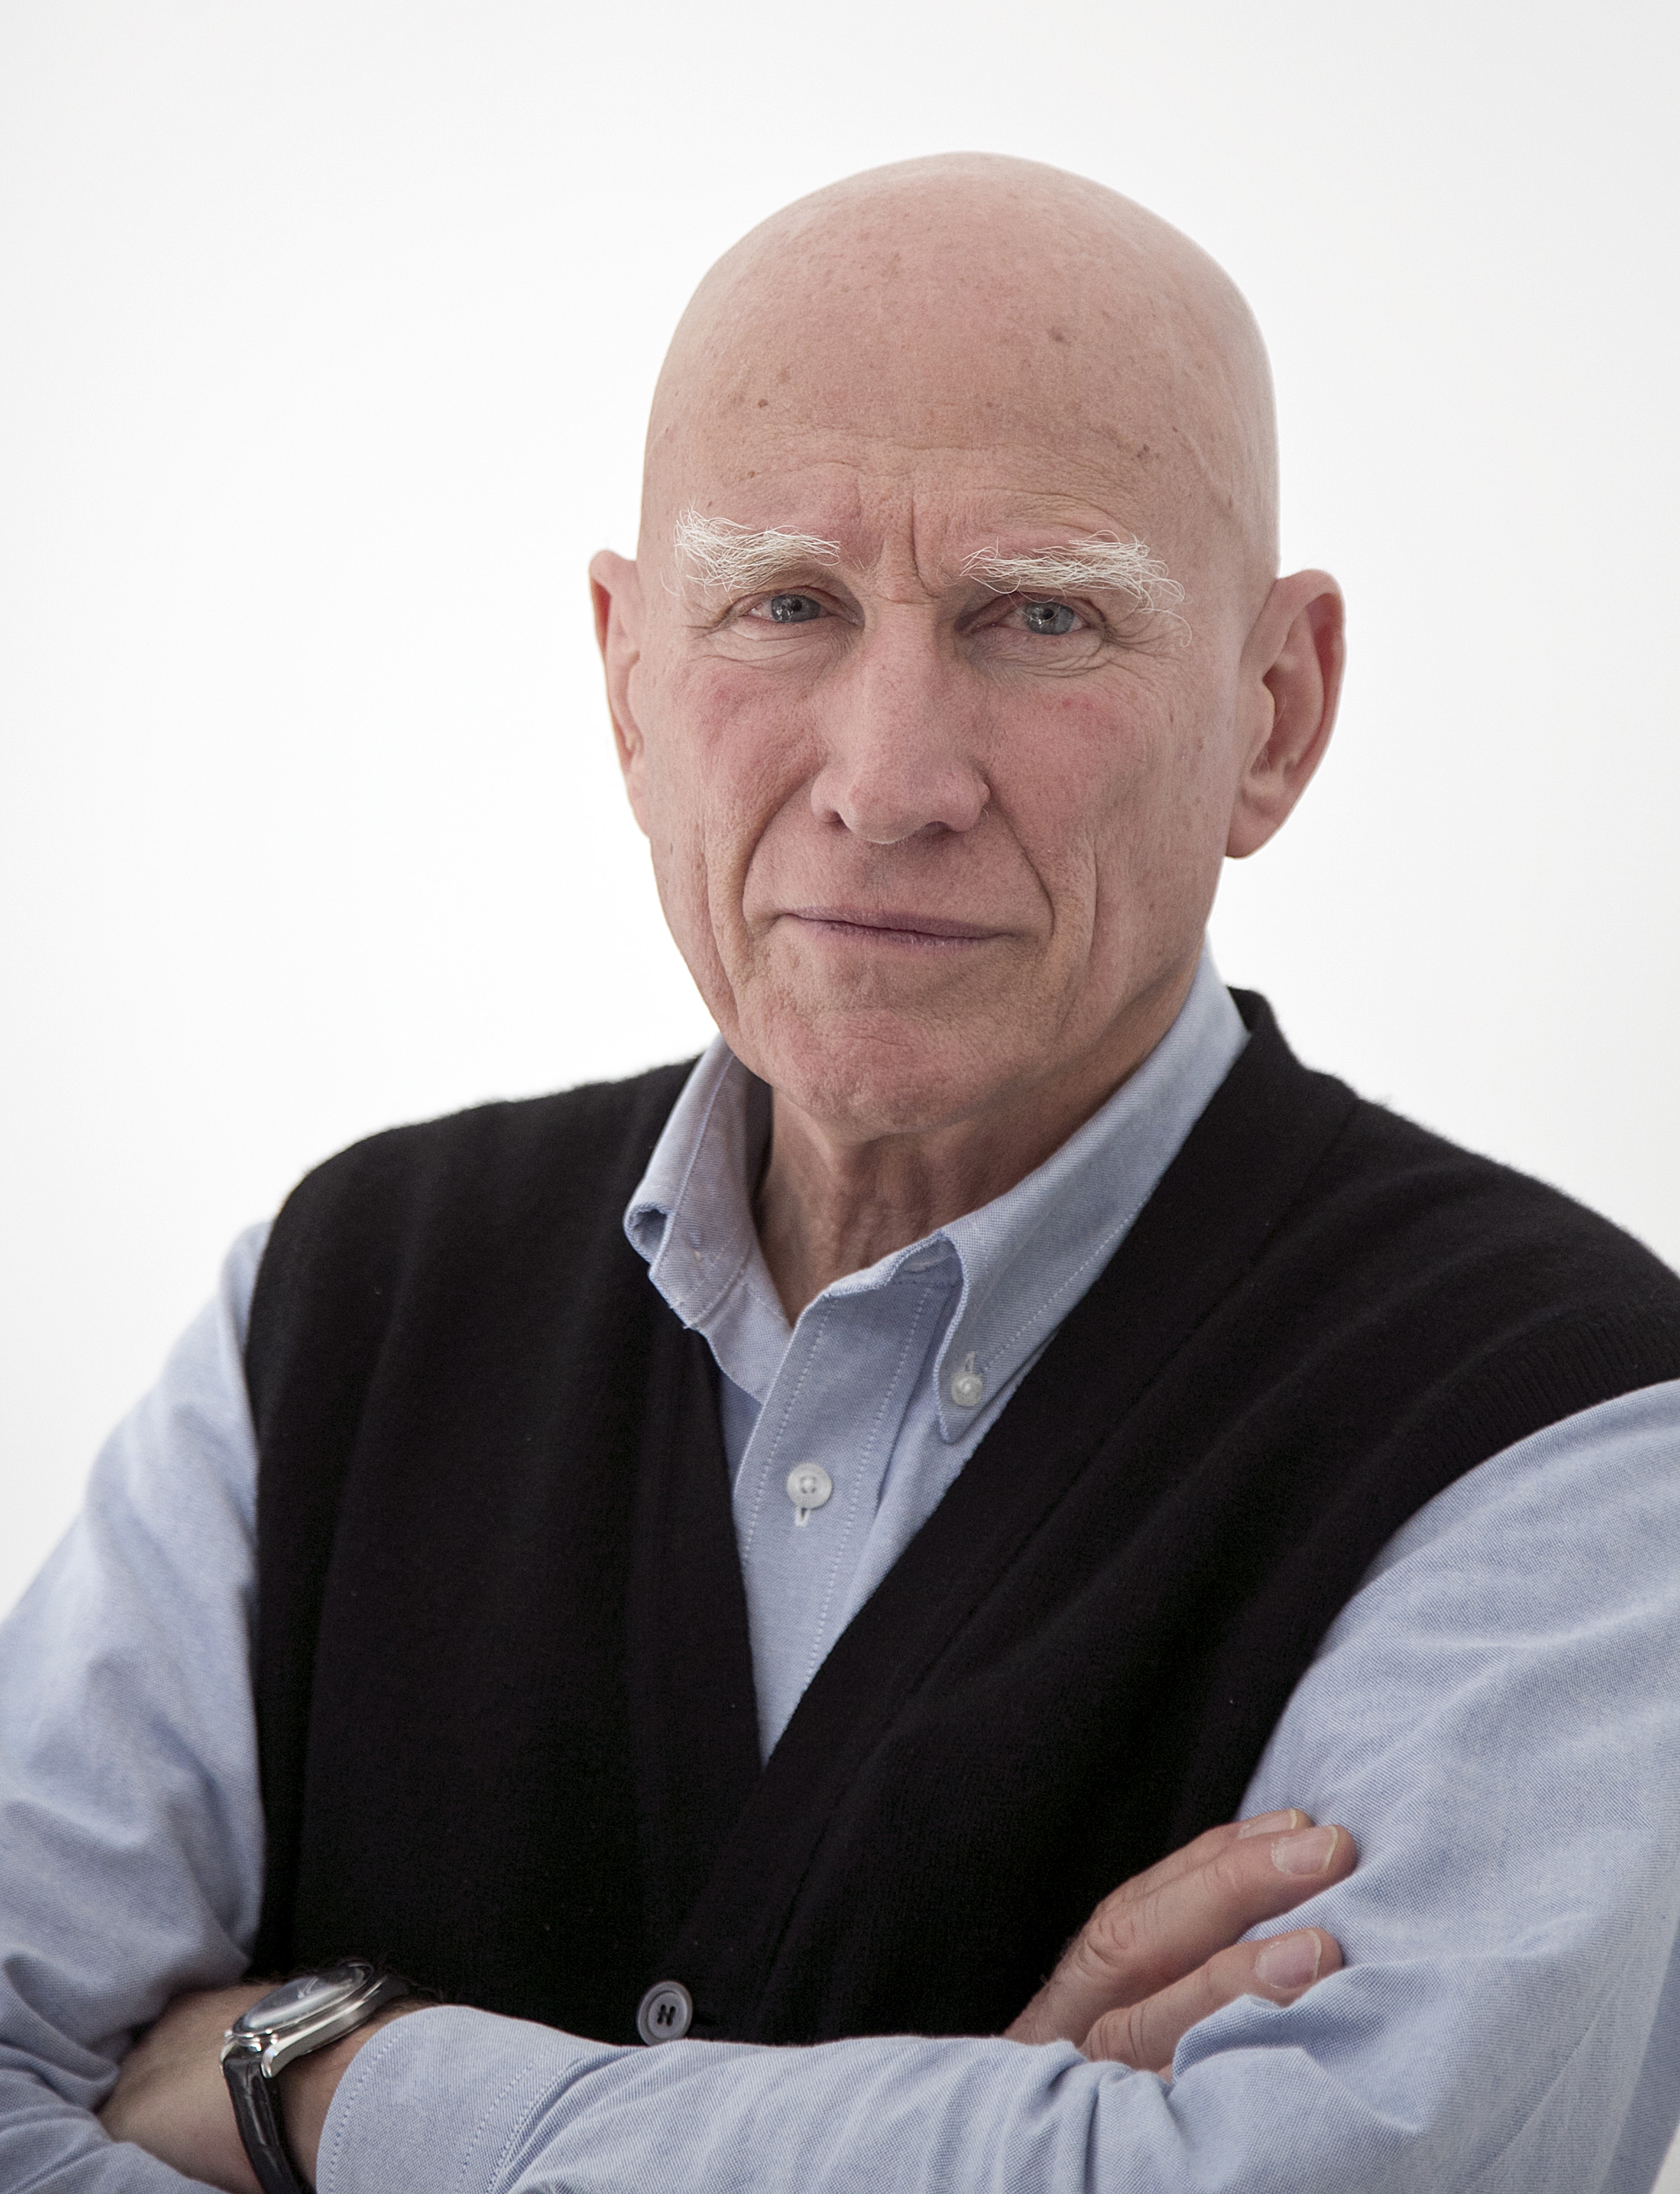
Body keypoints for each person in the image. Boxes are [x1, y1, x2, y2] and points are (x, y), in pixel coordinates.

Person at [4, 153, 1679, 2194]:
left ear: (1276, 712)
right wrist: (1005, 2142)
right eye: (785, 605)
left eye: (1040, 616)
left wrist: (332, 2085)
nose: (889, 783)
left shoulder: (1572, 1421)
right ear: (628, 682)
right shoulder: (342, 1305)